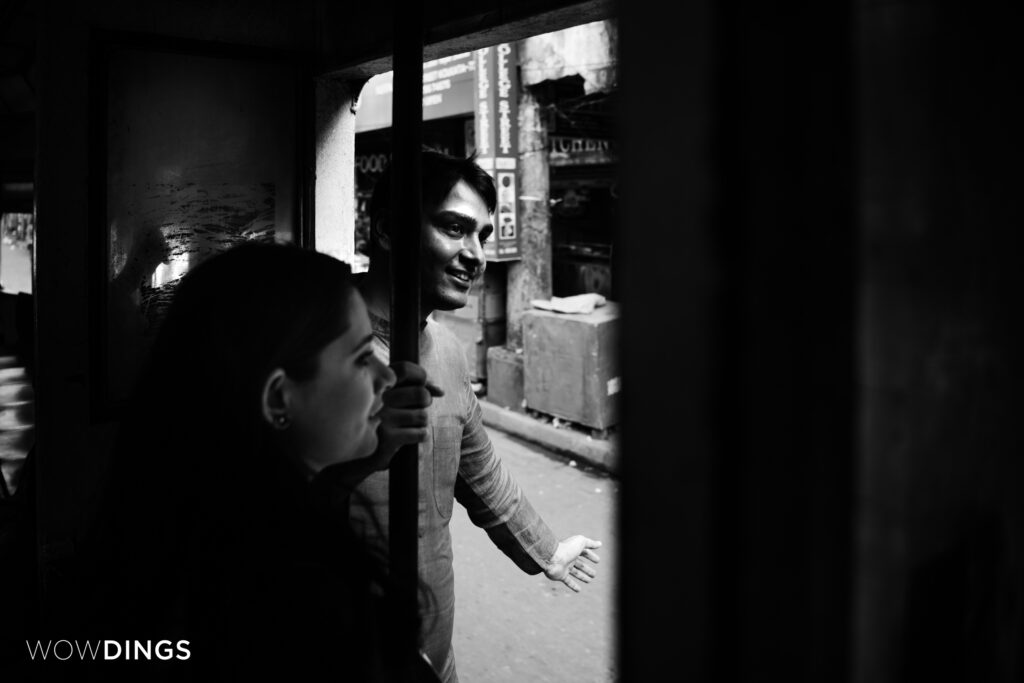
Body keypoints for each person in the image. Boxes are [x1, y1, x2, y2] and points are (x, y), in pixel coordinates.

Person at [83, 243, 439, 681]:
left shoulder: (180, 528)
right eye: (363, 358)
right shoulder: (294, 601)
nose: (387, 378)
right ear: (277, 398)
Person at [351, 149, 603, 682]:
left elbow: (480, 471)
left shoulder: (445, 349)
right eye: (454, 228)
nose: (475, 255)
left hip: (432, 648)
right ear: (390, 231)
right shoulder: (324, 350)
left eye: (482, 236)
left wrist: (548, 553)